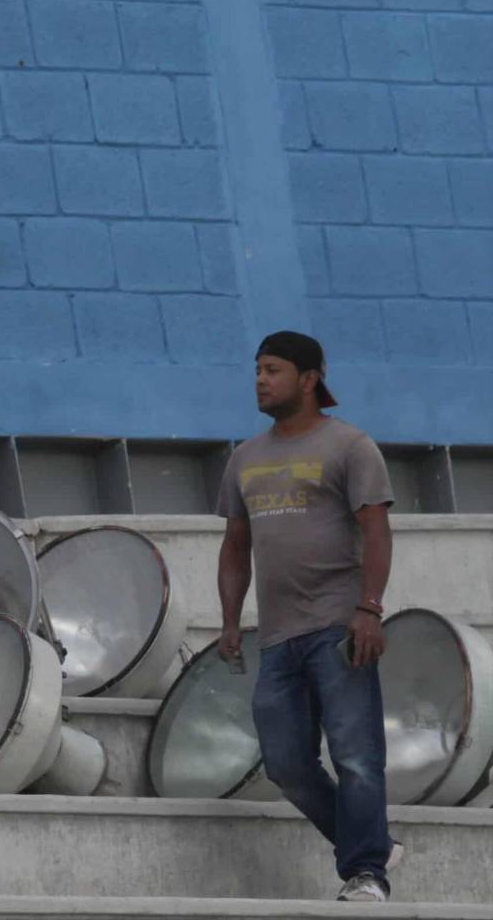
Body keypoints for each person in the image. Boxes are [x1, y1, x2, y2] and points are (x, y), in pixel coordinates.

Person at [215, 331, 399, 903]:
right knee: (287, 766)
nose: (261, 381)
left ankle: (367, 872)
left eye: (272, 370)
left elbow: (376, 531)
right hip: (277, 636)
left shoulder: (349, 446)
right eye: (257, 371)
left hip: (339, 627)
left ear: (309, 379)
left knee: (355, 754)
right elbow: (234, 545)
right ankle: (368, 845)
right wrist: (229, 620)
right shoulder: (244, 457)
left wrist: (369, 609)